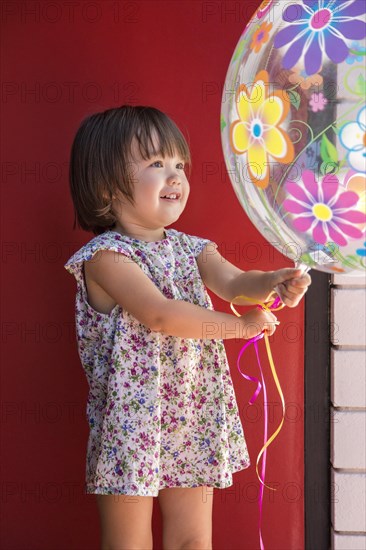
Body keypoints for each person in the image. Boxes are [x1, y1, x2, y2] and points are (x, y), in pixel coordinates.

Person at [64, 105, 311, 550]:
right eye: (156, 164)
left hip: (194, 413)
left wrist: (272, 281)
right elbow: (160, 313)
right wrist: (239, 329)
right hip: (131, 423)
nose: (175, 176)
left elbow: (235, 283)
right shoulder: (105, 257)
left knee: (194, 538)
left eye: (179, 164)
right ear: (106, 187)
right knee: (128, 541)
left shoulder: (192, 248)